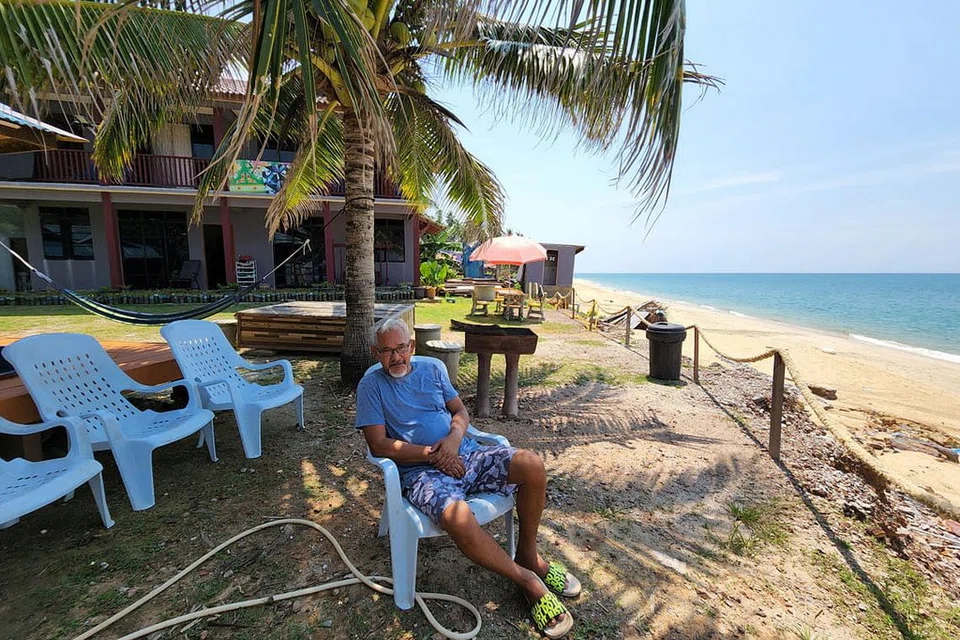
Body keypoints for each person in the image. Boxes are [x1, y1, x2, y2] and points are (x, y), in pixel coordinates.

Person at [356, 317, 580, 638]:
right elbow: (378, 444)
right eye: (387, 351)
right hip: (422, 473)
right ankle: (526, 580)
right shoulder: (371, 386)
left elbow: (460, 413)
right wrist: (433, 455)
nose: (396, 357)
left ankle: (529, 554)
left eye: (401, 348)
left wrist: (452, 441)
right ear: (375, 352)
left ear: (412, 347)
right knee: (458, 518)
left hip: (467, 453)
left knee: (531, 465)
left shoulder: (433, 371)